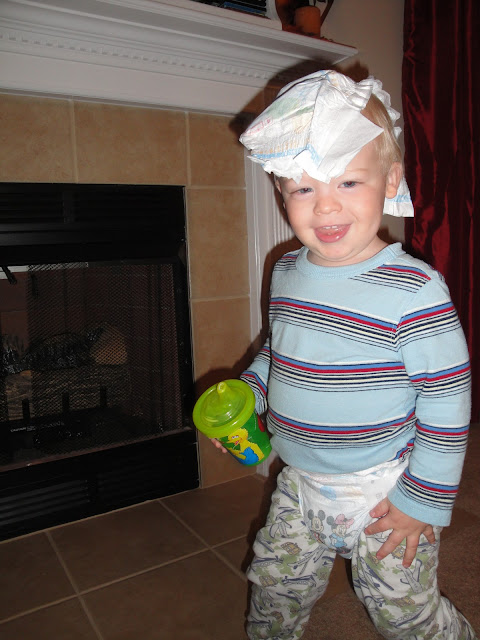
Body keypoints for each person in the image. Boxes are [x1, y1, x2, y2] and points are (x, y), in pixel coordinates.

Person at [214, 71, 477, 639]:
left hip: (384, 490)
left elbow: (447, 405)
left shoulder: (415, 291)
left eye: (349, 182)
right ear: (281, 191)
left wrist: (423, 501)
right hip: (298, 483)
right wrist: (249, 390)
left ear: (390, 180)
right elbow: (279, 352)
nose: (326, 206)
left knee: (403, 614)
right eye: (303, 189)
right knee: (274, 591)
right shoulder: (286, 271)